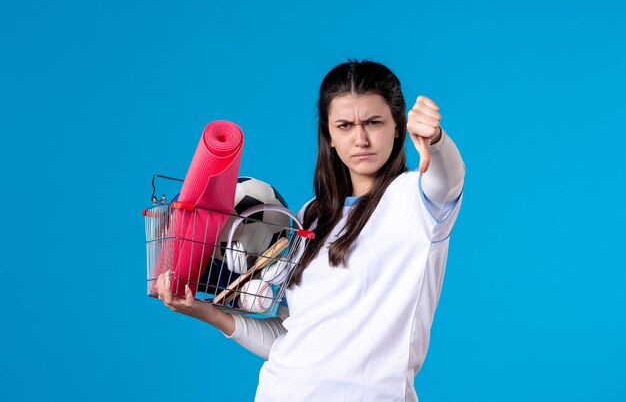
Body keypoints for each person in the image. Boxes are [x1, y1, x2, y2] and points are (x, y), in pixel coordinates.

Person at [156, 59, 465, 402]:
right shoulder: (310, 215)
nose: (360, 138)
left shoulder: (415, 201)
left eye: (374, 122)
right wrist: (210, 313)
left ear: (397, 126)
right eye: (345, 125)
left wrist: (435, 140)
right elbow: (291, 338)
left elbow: (448, 180)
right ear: (329, 136)